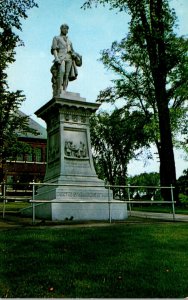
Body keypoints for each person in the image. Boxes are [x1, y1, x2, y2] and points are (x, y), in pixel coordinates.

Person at [51, 24, 82, 96]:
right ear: (61, 29)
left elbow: (73, 50)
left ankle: (64, 90)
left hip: (69, 58)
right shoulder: (56, 38)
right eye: (64, 28)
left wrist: (76, 55)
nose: (66, 30)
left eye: (67, 29)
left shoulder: (69, 41)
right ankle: (59, 89)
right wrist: (56, 58)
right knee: (61, 71)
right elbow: (54, 49)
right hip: (61, 57)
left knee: (67, 75)